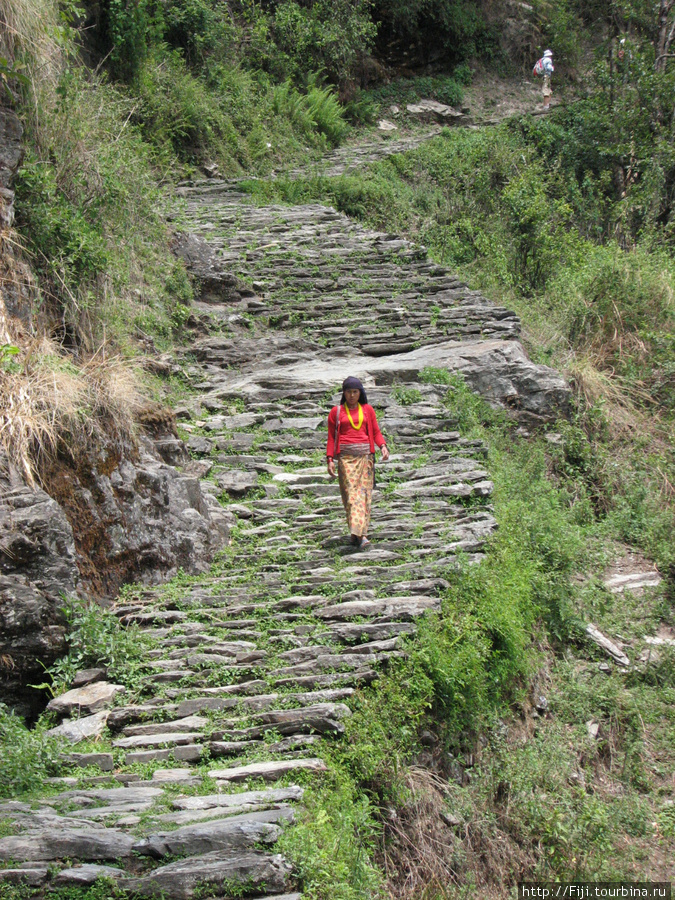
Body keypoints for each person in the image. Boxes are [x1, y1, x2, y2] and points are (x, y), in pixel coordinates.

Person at [327, 376, 390, 549]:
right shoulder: (336, 412)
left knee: (363, 495)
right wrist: (330, 459)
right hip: (346, 460)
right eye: (348, 392)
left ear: (360, 393)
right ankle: (357, 532)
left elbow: (375, 431)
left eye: (355, 392)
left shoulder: (367, 410)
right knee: (351, 496)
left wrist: (383, 446)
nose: (352, 395)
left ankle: (361, 535)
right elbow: (331, 437)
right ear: (344, 393)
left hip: (365, 458)